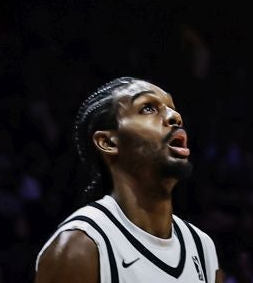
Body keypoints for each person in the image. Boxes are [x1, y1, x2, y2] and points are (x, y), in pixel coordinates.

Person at [34, 78, 221, 283]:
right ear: (107, 142)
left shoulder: (202, 248)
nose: (175, 116)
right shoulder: (82, 247)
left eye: (172, 108)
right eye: (148, 108)